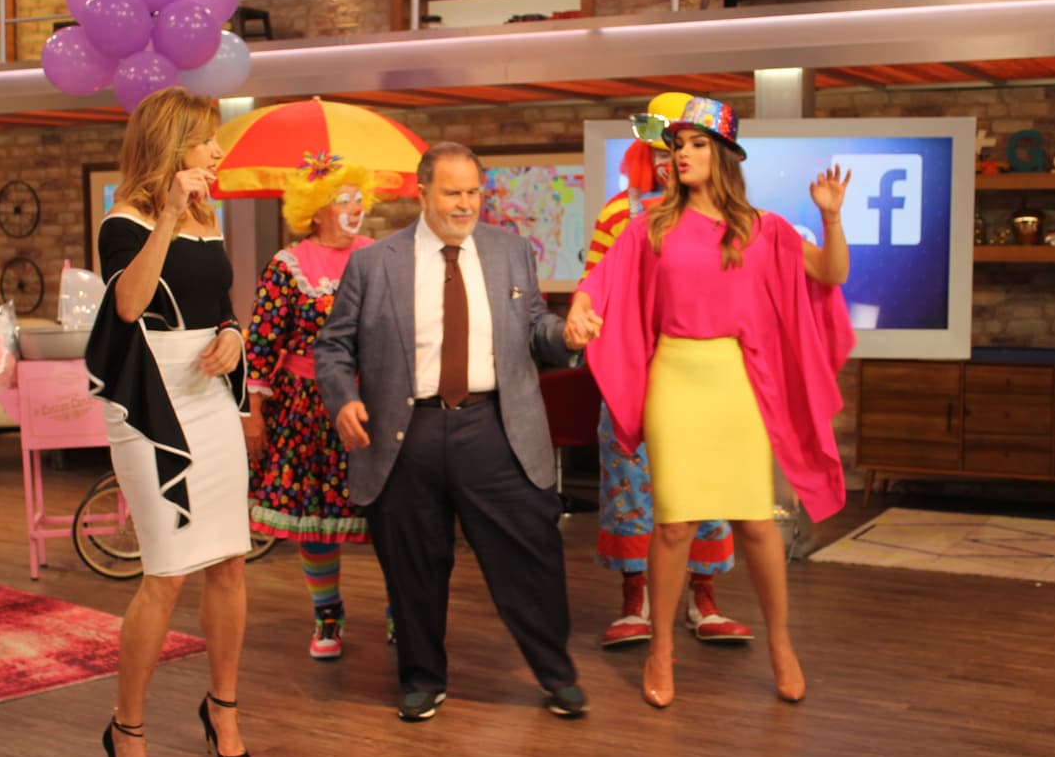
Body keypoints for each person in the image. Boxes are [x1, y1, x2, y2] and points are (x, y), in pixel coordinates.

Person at [569, 96, 853, 707]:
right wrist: (580, 308)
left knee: (755, 521)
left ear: (723, 155)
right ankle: (661, 649)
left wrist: (830, 218)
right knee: (673, 523)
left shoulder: (764, 227)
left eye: (697, 144)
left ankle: (782, 644)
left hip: (737, 379)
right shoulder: (650, 227)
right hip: (675, 376)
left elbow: (830, 275)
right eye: (677, 145)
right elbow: (599, 281)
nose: (682, 155)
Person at [314, 141, 590, 722]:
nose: (466, 204)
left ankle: (556, 674)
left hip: (496, 427)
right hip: (404, 433)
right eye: (453, 193)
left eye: (473, 192)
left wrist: (563, 336)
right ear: (423, 194)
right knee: (413, 565)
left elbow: (533, 324)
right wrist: (343, 400)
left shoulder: (511, 250)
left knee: (530, 554)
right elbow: (334, 347)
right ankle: (421, 679)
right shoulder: (374, 263)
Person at [85, 87, 253, 757]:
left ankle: (223, 707)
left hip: (210, 395)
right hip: (152, 402)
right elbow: (129, 304)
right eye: (207, 138)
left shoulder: (212, 216)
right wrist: (169, 216)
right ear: (172, 143)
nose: (217, 150)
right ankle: (126, 728)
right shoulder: (122, 222)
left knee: (229, 561)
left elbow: (219, 305)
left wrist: (234, 335)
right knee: (167, 571)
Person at [587, 91, 751, 648]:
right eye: (666, 147)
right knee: (630, 485)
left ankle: (703, 599)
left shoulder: (728, 218)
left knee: (708, 486)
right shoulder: (622, 214)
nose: (673, 158)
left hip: (704, 376)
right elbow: (597, 288)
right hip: (637, 373)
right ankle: (635, 602)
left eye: (685, 146)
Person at [242, 153, 384, 660]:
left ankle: (403, 609)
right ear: (316, 209)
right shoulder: (289, 266)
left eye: (359, 198)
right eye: (343, 199)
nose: (356, 208)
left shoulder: (380, 257)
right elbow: (261, 344)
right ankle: (327, 615)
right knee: (316, 519)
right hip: (306, 410)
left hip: (374, 404)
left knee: (391, 515)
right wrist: (253, 413)